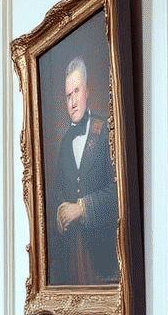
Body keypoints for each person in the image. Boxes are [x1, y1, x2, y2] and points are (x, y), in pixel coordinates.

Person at [47, 55, 119, 286]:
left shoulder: (106, 130)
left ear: (87, 91)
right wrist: (59, 211)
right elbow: (58, 193)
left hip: (104, 257)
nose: (72, 102)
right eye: (68, 96)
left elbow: (119, 192)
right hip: (73, 259)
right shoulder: (65, 142)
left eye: (76, 92)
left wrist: (81, 208)